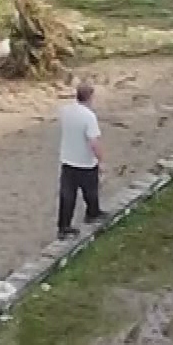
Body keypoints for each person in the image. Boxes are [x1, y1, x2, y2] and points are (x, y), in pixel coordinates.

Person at [57, 81, 105, 239]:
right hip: (85, 162)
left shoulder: (65, 111)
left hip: (68, 160)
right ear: (90, 97)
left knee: (67, 195)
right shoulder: (89, 117)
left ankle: (64, 226)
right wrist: (100, 158)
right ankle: (92, 213)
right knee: (90, 191)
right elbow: (93, 142)